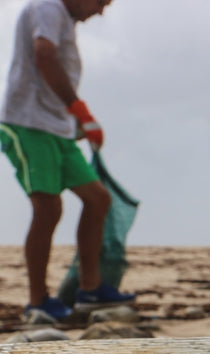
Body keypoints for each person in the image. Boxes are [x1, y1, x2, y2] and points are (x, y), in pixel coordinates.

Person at [0, 0, 134, 324]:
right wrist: (78, 108)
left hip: (56, 126)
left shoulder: (64, 19)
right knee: (48, 208)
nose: (101, 11)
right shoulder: (48, 7)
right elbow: (43, 56)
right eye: (100, 2)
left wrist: (73, 122)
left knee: (98, 198)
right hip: (27, 123)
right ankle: (38, 302)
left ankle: (90, 289)